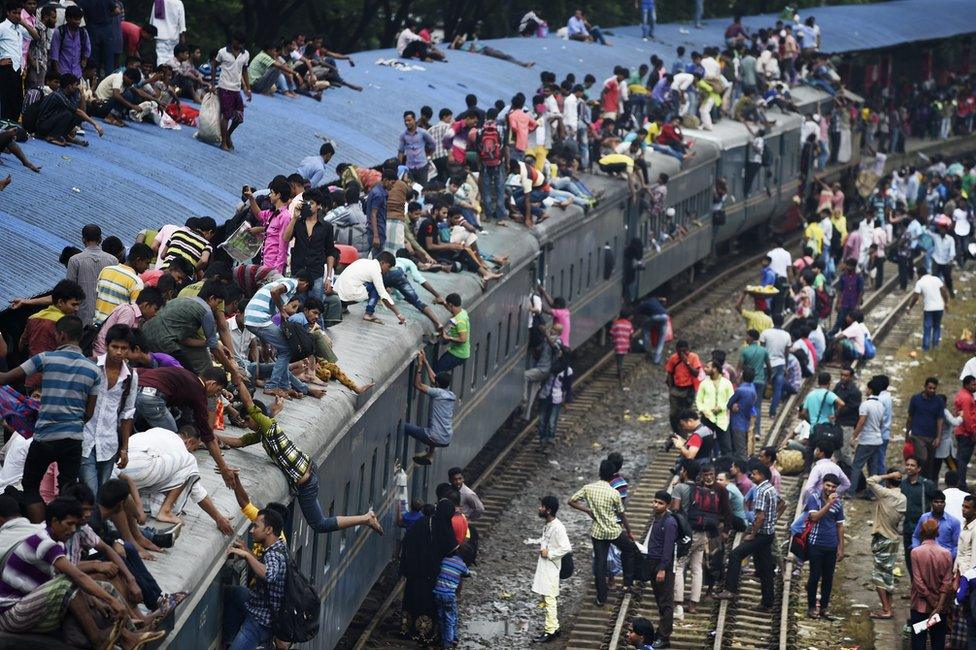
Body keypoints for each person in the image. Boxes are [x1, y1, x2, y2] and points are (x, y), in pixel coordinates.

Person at [220, 374, 383, 538]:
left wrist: (238, 380)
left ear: (253, 417)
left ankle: (366, 518)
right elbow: (238, 442)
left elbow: (248, 403)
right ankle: (365, 519)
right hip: (305, 476)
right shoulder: (262, 434)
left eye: (247, 421)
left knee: (319, 524)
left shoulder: (268, 426)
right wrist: (211, 439)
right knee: (319, 524)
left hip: (306, 484)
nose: (247, 426)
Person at [0, 496, 162, 648]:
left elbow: (68, 579)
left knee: (104, 588)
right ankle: (99, 640)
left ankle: (129, 635)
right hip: (11, 614)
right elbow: (77, 576)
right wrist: (111, 601)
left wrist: (98, 600)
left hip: (31, 604)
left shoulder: (57, 545)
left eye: (76, 525)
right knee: (68, 584)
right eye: (69, 524)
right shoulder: (43, 542)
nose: (72, 530)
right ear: (55, 522)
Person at [0, 315, 99, 523]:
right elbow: (89, 413)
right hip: (73, 439)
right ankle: (63, 531)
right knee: (67, 489)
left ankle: (41, 531)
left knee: (30, 486)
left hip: (45, 436)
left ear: (61, 335)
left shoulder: (45, 358)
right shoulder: (93, 370)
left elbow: (7, 377)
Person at [116, 425, 234, 534]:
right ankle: (165, 511)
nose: (193, 451)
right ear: (189, 442)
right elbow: (196, 491)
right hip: (141, 467)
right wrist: (218, 518)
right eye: (194, 448)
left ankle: (153, 507)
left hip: (120, 468)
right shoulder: (180, 448)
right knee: (190, 461)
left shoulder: (159, 432)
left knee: (169, 482)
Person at [569, 459, 639, 606]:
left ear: (599, 473)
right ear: (612, 475)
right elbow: (621, 514)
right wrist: (629, 531)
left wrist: (588, 510)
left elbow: (572, 501)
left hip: (598, 533)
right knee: (630, 550)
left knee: (600, 565)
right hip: (613, 531)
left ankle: (601, 598)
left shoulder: (588, 488)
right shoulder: (614, 493)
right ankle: (627, 584)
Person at [80, 324, 136, 497]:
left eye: (124, 348)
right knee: (91, 492)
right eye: (115, 347)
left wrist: (124, 448)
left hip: (109, 443)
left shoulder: (131, 376)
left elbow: (127, 413)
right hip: (84, 439)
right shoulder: (91, 365)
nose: (119, 352)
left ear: (129, 350)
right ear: (107, 346)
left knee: (104, 495)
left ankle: (95, 523)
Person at [715, 463, 781, 610]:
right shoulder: (770, 488)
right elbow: (780, 504)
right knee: (765, 569)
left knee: (735, 554)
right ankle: (767, 602)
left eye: (755, 474)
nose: (752, 476)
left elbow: (760, 516)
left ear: (762, 475)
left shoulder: (761, 491)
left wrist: (752, 534)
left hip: (761, 534)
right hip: (768, 533)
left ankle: (730, 590)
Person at [223, 509, 287, 649]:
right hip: (258, 604)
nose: (252, 531)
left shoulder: (274, 555)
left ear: (269, 529)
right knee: (234, 592)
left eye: (256, 526)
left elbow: (269, 575)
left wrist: (247, 556)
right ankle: (229, 641)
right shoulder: (278, 547)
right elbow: (265, 566)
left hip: (262, 619)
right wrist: (248, 551)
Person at [865, 470, 906, 621]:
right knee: (887, 573)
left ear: (889, 481)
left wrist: (887, 475)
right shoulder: (903, 498)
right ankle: (889, 606)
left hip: (883, 538)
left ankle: (886, 609)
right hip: (894, 539)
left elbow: (870, 480)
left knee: (878, 575)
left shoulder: (885, 494)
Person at [405, 350, 456, 466]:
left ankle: (430, 454)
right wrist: (427, 361)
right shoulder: (450, 395)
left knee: (404, 427)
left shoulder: (437, 393)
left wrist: (420, 366)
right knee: (435, 428)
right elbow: (434, 379)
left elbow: (418, 385)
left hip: (435, 437)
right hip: (447, 438)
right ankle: (430, 455)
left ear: (437, 384)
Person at [804, 474, 845, 619]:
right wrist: (828, 504)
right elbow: (814, 517)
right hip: (816, 544)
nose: (830, 489)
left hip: (831, 545)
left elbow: (840, 526)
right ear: (822, 484)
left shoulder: (838, 504)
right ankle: (811, 607)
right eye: (828, 485)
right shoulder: (814, 498)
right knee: (814, 576)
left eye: (833, 487)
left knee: (828, 578)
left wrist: (841, 548)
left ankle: (824, 607)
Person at [910, 518, 953, 650]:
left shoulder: (916, 552)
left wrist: (930, 602)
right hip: (940, 608)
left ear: (922, 533)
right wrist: (938, 606)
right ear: (937, 533)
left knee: (919, 640)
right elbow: (947, 583)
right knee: (938, 641)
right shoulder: (946, 554)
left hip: (920, 607)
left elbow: (918, 582)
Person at [65, 224, 118, 325]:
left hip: (82, 318)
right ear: (100, 239)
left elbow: (69, 291)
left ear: (83, 239)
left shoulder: (74, 260)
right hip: (107, 317)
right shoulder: (113, 260)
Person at [643, 491, 676, 648]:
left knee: (666, 602)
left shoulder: (669, 522)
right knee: (660, 600)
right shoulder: (657, 517)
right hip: (653, 562)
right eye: (655, 501)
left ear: (667, 505)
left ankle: (664, 637)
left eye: (660, 503)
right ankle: (662, 633)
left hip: (663, 565)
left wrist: (662, 569)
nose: (656, 505)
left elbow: (668, 548)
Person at [211, 33, 251, 151]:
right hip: (224, 87)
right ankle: (223, 142)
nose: (239, 45)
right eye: (238, 42)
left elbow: (244, 71)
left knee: (239, 117)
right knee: (226, 116)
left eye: (241, 43)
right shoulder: (223, 52)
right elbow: (214, 66)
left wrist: (248, 88)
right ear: (233, 40)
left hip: (237, 88)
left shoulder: (245, 54)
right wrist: (213, 84)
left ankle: (227, 134)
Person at [849, 376, 886, 495]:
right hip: (877, 440)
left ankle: (851, 491)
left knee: (856, 466)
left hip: (867, 440)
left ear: (870, 390)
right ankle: (871, 493)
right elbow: (881, 423)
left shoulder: (866, 405)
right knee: (873, 468)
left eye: (867, 388)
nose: (865, 390)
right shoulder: (880, 405)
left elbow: (861, 422)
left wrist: (854, 437)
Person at [902, 456, 938, 575]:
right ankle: (915, 587)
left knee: (924, 560)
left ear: (918, 469)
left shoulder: (927, 485)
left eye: (912, 465)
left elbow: (938, 502)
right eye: (907, 465)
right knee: (909, 559)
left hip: (924, 530)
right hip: (908, 529)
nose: (909, 467)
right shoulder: (902, 485)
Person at [908, 377, 947, 481]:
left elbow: (940, 420)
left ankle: (926, 485)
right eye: (930, 388)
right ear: (925, 387)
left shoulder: (938, 401)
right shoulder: (915, 399)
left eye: (934, 388)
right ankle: (916, 480)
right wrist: (907, 433)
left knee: (930, 463)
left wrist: (938, 437)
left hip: (931, 436)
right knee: (922, 458)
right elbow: (910, 416)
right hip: (918, 435)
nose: (932, 390)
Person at [434, 544, 470, 649]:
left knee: (441, 616)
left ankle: (443, 638)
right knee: (450, 617)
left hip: (437, 592)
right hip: (449, 595)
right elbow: (467, 574)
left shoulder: (445, 560)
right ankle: (449, 642)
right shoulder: (462, 565)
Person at [696, 360, 734, 455]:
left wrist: (721, 408)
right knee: (705, 445)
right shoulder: (704, 383)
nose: (705, 369)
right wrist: (703, 410)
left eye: (707, 367)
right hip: (707, 418)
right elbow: (698, 400)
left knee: (726, 446)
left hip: (722, 419)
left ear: (715, 369)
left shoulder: (727, 383)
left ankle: (726, 467)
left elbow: (731, 399)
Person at [664, 340, 701, 434]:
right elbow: (669, 374)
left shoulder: (693, 357)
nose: (685, 353)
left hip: (689, 389)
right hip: (676, 389)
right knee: (673, 414)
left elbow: (696, 373)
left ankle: (687, 433)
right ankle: (677, 432)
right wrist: (671, 389)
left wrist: (687, 362)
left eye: (686, 351)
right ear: (677, 350)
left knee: (687, 413)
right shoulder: (673, 358)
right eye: (682, 351)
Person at [738, 329, 770, 435]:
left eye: (747, 336)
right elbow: (769, 367)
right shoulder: (764, 351)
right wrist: (768, 379)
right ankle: (756, 432)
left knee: (745, 405)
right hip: (760, 381)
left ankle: (745, 430)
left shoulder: (745, 351)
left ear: (751, 337)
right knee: (757, 406)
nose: (746, 338)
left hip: (748, 382)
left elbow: (740, 367)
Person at [912, 491, 962, 559]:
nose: (939, 504)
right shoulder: (924, 518)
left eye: (942, 502)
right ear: (931, 503)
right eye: (936, 502)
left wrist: (950, 557)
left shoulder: (954, 522)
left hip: (945, 558)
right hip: (926, 557)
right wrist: (917, 550)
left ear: (945, 503)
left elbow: (957, 544)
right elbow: (916, 537)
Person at [760, 314, 791, 419]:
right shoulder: (787, 335)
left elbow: (762, 350)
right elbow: (787, 353)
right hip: (780, 364)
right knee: (778, 388)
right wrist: (786, 367)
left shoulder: (765, 333)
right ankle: (772, 413)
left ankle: (757, 410)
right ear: (782, 322)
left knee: (761, 386)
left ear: (773, 321)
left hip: (766, 364)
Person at [908, 271, 949, 351]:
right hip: (939, 307)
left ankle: (926, 348)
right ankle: (935, 345)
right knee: (937, 326)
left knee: (927, 327)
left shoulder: (920, 282)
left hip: (928, 308)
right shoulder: (936, 279)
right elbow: (944, 291)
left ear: (919, 274)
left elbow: (916, 297)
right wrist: (946, 303)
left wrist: (910, 307)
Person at [436, 293, 470, 373]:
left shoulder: (460, 321)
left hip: (458, 353)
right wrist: (444, 303)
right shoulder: (462, 312)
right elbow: (451, 309)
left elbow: (463, 339)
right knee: (439, 369)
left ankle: (437, 385)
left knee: (437, 372)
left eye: (448, 305)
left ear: (451, 305)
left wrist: (449, 338)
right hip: (460, 352)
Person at [726, 366, 757, 456]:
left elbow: (728, 404)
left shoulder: (740, 390)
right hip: (745, 421)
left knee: (739, 450)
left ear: (742, 376)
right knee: (742, 447)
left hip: (737, 422)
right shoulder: (752, 389)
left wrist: (733, 405)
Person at [956, 377, 976, 491]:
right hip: (966, 433)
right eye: (973, 385)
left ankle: (960, 482)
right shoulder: (966, 398)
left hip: (963, 432)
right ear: (967, 385)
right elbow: (967, 417)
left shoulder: (965, 395)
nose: (975, 387)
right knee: (963, 460)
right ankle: (961, 484)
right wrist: (973, 432)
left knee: (962, 459)